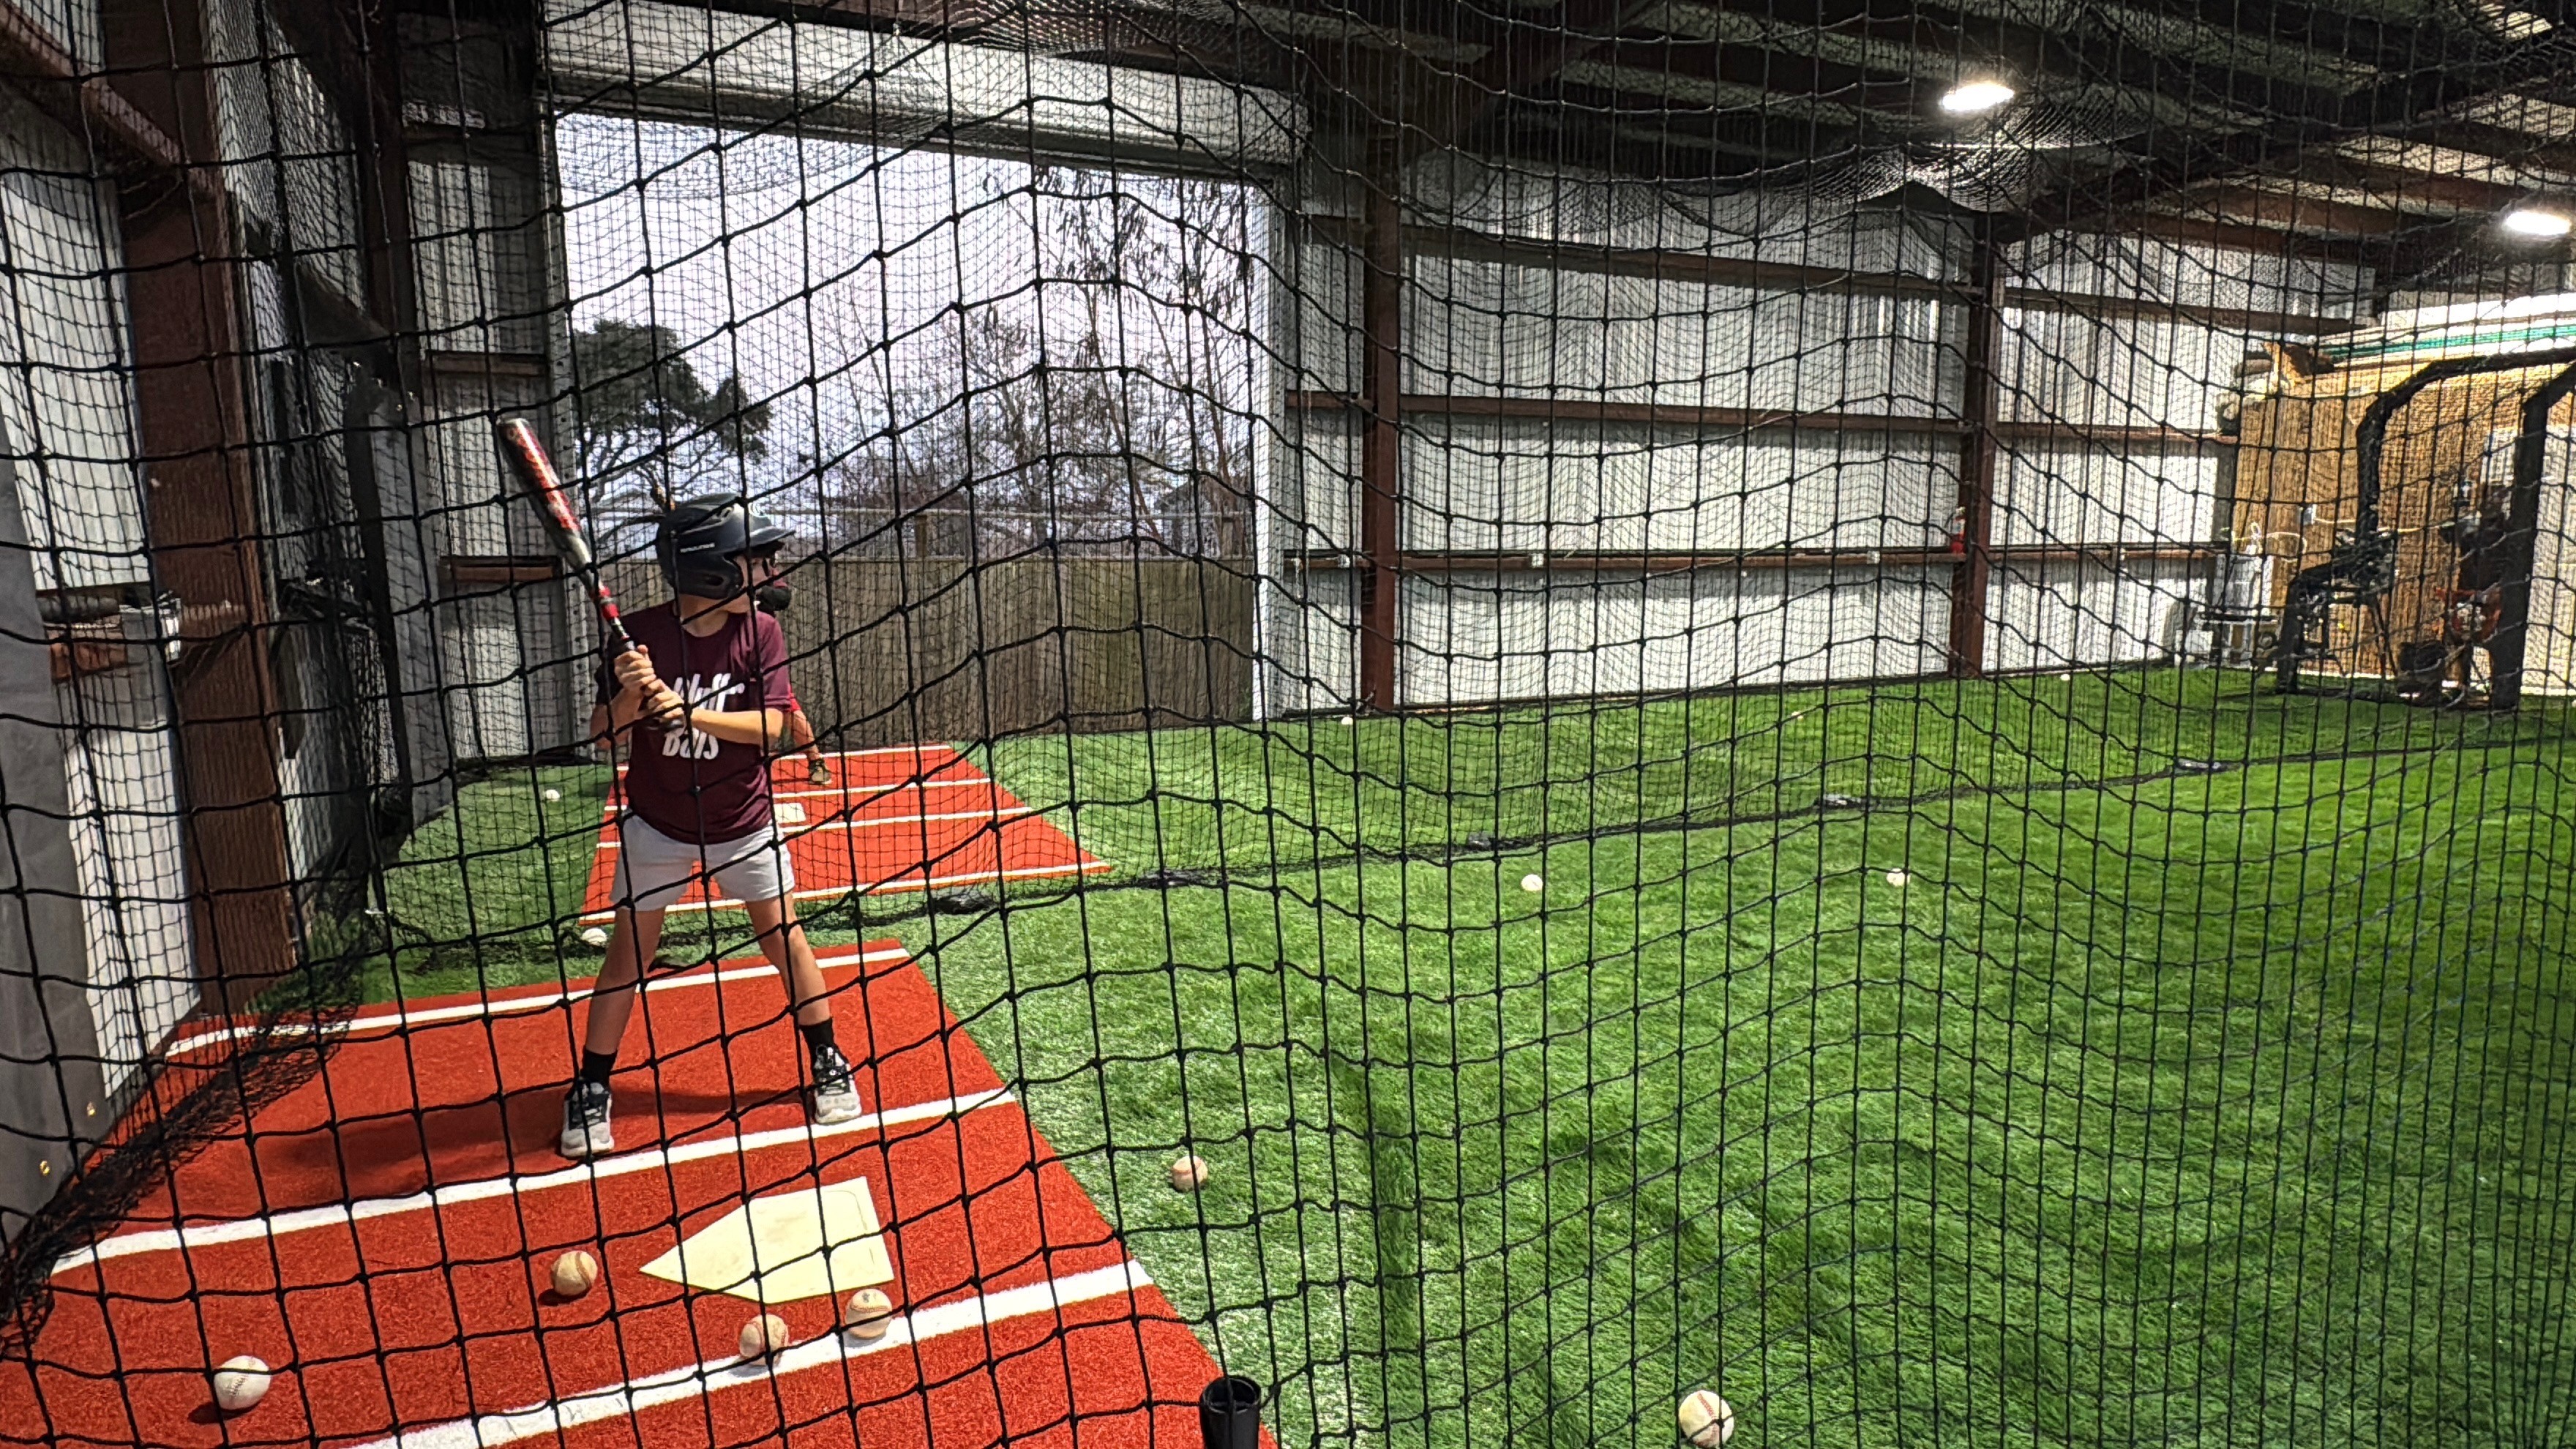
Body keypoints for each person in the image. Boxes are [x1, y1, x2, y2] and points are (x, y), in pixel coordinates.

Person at [561, 496, 861, 1159]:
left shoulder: (760, 632)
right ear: (709, 571)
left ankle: (828, 1055)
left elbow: (774, 730)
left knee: (784, 940)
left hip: (741, 820)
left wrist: (688, 710)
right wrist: (634, 696)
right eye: (752, 559)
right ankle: (589, 1085)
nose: (768, 570)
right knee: (628, 956)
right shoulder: (636, 635)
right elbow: (601, 735)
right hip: (658, 824)